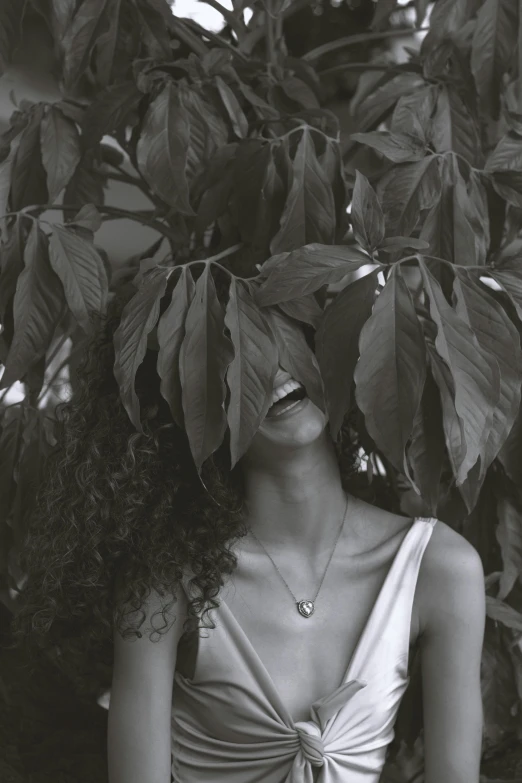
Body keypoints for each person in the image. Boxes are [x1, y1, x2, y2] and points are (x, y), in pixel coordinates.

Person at [11, 285, 486, 783]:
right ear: (188, 408)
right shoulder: (164, 583)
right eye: (231, 358)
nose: (272, 369)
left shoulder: (440, 569)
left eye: (281, 338)